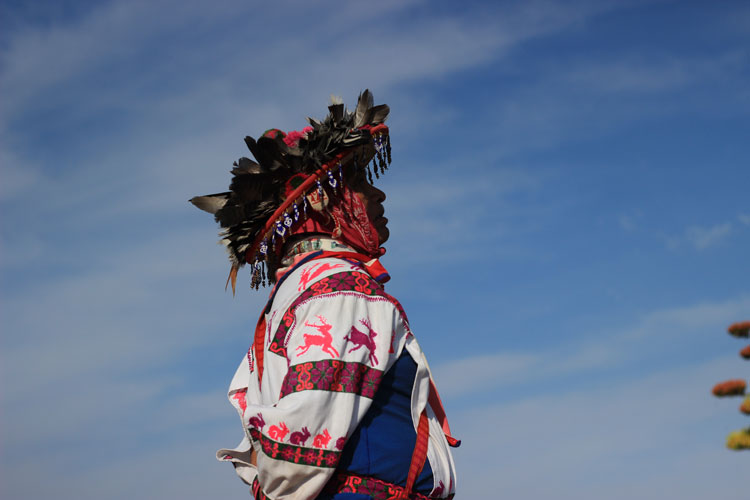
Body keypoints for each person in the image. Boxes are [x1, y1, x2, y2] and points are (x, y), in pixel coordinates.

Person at [191, 91, 459, 499]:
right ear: (321, 200)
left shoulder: (298, 294)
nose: (378, 196)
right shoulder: (340, 290)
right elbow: (299, 444)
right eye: (360, 182)